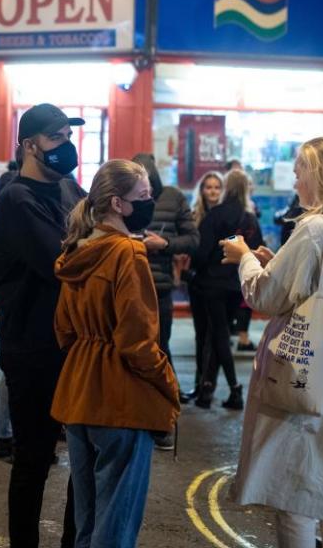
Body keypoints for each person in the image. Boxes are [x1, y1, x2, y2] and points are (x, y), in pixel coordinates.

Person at [223, 137, 323, 548]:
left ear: (322, 176)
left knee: (293, 485)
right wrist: (277, 260)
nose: (295, 181)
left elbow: (266, 296)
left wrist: (245, 258)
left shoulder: (314, 228)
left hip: (308, 358)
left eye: (300, 172)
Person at [53, 159, 180, 547]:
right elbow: (137, 342)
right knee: (116, 527)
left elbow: (64, 328)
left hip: (77, 393)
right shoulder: (128, 253)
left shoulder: (76, 251)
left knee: (87, 522)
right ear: (117, 204)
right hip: (121, 399)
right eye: (142, 196)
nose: (150, 202)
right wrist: (168, 382)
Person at [0, 103, 84, 548]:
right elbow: (62, 262)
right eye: (56, 138)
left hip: (74, 343)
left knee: (84, 455)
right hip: (31, 346)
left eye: (68, 136)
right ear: (29, 145)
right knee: (34, 457)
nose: (66, 146)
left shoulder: (68, 188)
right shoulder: (15, 198)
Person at [134, 153, 198, 447]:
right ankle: (141, 415)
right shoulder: (122, 194)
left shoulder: (172, 198)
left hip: (158, 287)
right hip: (129, 284)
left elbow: (193, 240)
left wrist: (166, 244)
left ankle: (163, 420)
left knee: (159, 350)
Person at [192, 170, 261, 410]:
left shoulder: (215, 216)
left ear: (226, 188)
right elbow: (257, 251)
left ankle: (234, 389)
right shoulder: (250, 220)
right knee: (219, 336)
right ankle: (206, 390)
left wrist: (196, 270)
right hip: (236, 284)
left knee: (218, 336)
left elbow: (200, 253)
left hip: (212, 283)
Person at [181, 170, 223, 403]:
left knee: (215, 336)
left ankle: (208, 384)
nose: (213, 191)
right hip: (197, 282)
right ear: (202, 190)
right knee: (201, 334)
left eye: (217, 187)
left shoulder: (225, 216)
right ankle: (199, 382)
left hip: (217, 284)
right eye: (209, 187)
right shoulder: (195, 214)